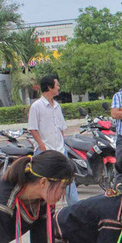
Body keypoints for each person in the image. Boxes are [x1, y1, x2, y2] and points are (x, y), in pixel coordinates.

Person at [28, 75, 78, 205]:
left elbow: (61, 127)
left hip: (60, 150)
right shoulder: (36, 106)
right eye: (57, 85)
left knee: (69, 183)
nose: (59, 87)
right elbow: (33, 129)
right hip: (45, 152)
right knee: (44, 185)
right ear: (50, 87)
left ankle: (75, 208)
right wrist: (41, 145)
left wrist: (62, 142)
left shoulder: (57, 106)